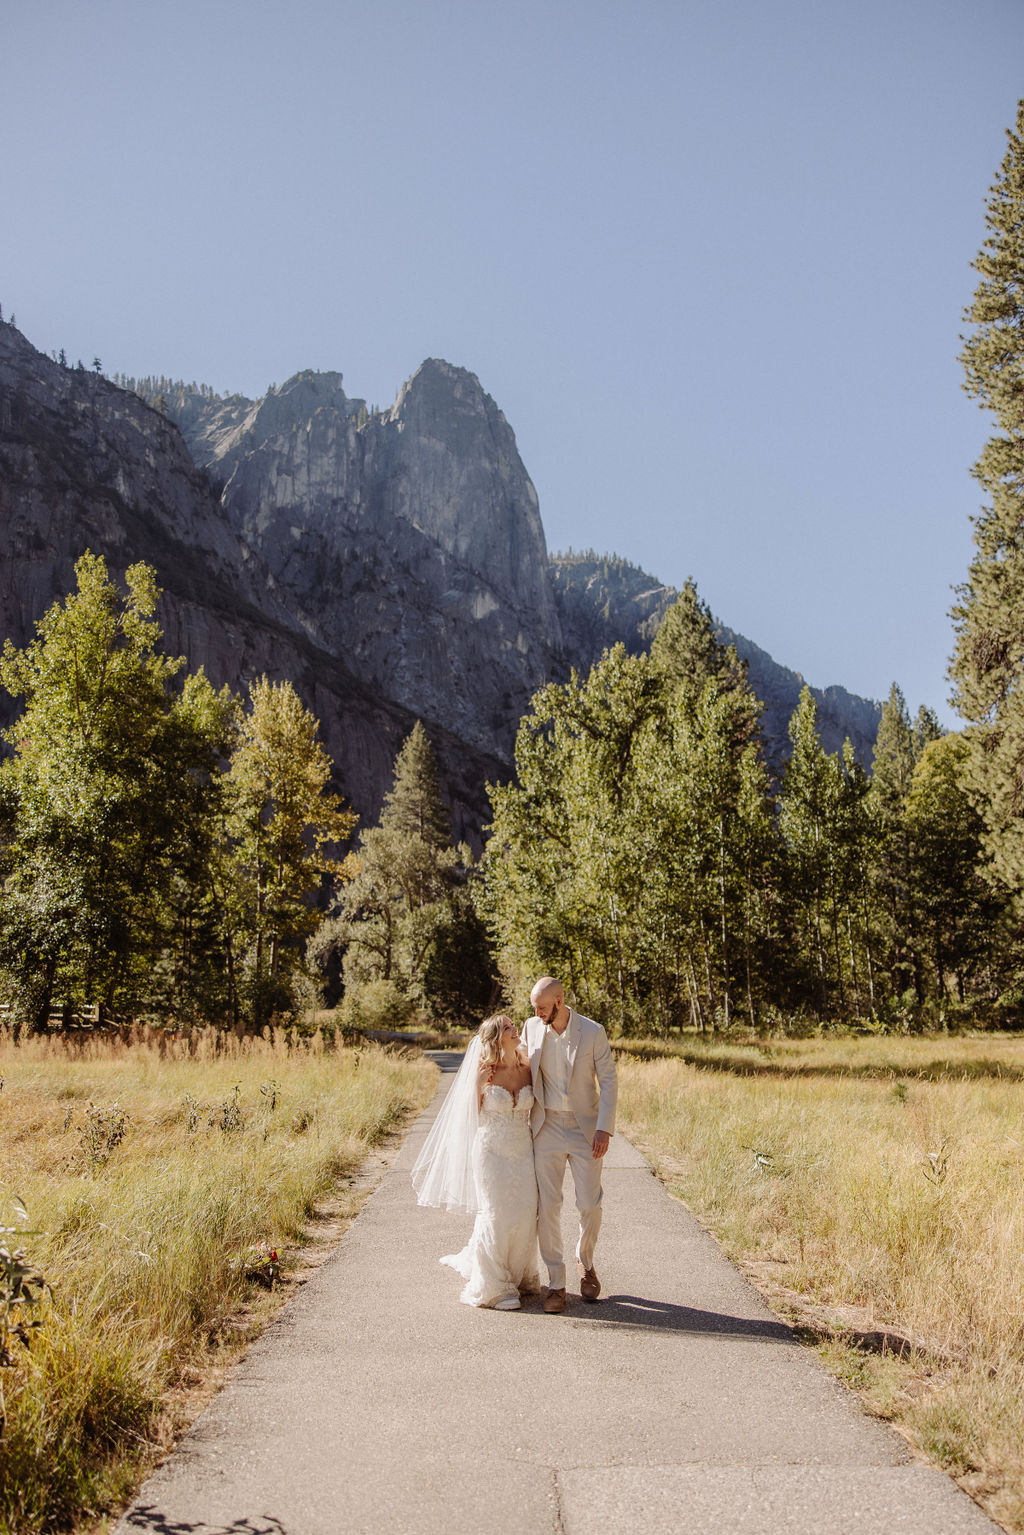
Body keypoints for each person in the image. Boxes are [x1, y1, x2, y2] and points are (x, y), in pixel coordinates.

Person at [411, 1014, 540, 1310]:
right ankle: (493, 1286)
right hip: (491, 1151)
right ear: (496, 1038)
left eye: (513, 1025)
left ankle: (518, 1275)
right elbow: (467, 1118)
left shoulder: (527, 1067)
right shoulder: (484, 1072)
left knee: (523, 1213)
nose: (515, 1029)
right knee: (496, 1212)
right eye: (508, 1027)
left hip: (523, 1149)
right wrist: (477, 1087)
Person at [521, 977, 618, 1314]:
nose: (536, 1013)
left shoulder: (592, 1032)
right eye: (534, 1007)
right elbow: (521, 1069)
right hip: (545, 1125)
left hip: (585, 1129)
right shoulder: (531, 1028)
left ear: (559, 1001)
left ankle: (585, 1259)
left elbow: (608, 1082)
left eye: (542, 1007)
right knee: (548, 1206)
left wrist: (604, 1129)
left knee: (590, 1204)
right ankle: (556, 1283)